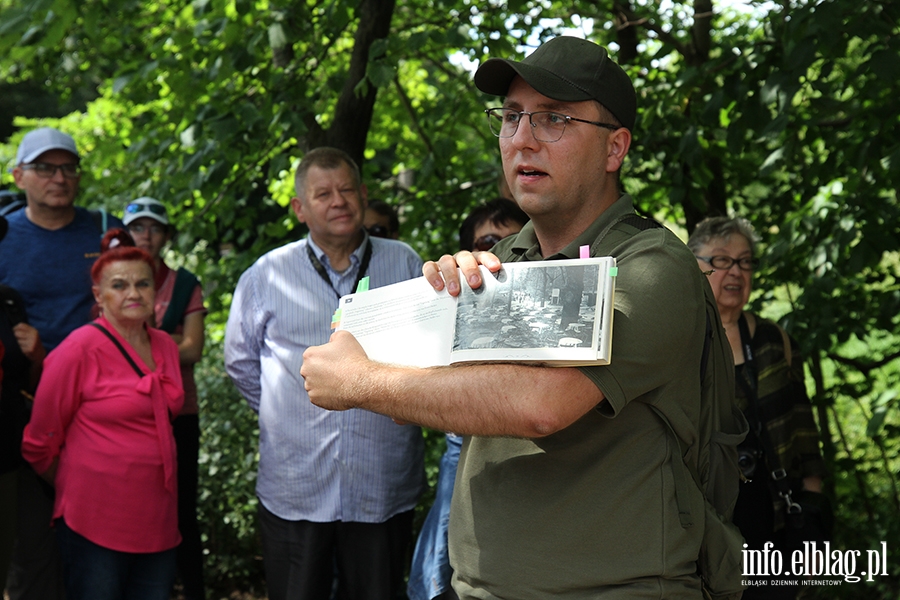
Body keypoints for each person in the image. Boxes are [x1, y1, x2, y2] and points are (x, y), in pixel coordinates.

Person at [301, 36, 739, 598]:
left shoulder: (651, 268)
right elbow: (414, 398)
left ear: (615, 148)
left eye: (553, 119)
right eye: (511, 117)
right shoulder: (497, 265)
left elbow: (541, 406)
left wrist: (360, 381)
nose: (522, 139)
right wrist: (428, 321)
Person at [224, 147, 425, 600]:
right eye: (322, 193)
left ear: (363, 194)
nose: (338, 201)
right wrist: (287, 409)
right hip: (296, 483)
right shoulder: (266, 275)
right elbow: (240, 362)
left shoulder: (406, 264)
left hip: (381, 479)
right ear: (300, 208)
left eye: (346, 189)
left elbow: (424, 357)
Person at [20, 230, 184, 600]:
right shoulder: (78, 349)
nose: (133, 293)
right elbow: (38, 441)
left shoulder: (165, 347)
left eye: (143, 283)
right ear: (99, 295)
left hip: (157, 517)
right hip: (94, 520)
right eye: (119, 284)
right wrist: (75, 484)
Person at [2, 126, 123, 600]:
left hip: (98, 402)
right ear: (18, 176)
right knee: (29, 540)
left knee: (98, 536)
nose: (59, 177)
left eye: (68, 167)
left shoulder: (104, 230)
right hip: (21, 403)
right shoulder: (3, 235)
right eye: (45, 168)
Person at [688, 216, 827, 598]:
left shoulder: (773, 341)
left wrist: (811, 501)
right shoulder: (681, 344)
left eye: (744, 261)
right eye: (720, 260)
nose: (735, 271)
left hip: (777, 515)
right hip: (710, 521)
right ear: (695, 267)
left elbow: (803, 425)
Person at [407, 197, 528, 600]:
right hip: (463, 455)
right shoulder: (453, 297)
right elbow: (409, 391)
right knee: (438, 568)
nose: (503, 249)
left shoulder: (547, 304)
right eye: (490, 240)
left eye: (517, 238)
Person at [123, 197, 207, 600]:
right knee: (134, 508)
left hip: (179, 413)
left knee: (182, 512)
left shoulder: (185, 284)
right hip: (129, 415)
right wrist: (171, 342)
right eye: (138, 228)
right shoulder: (113, 280)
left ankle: (192, 590)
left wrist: (145, 340)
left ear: (167, 235)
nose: (146, 236)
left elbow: (195, 349)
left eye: (154, 228)